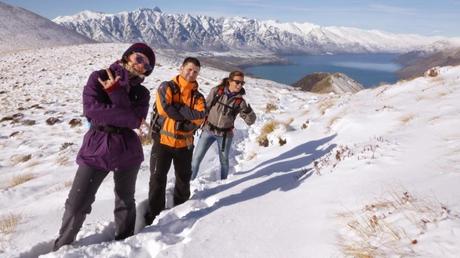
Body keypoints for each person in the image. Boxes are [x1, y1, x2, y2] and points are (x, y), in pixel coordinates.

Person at [53, 43, 155, 251]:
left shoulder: (142, 92)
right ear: (128, 57)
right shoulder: (98, 77)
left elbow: (137, 119)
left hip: (128, 151)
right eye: (139, 57)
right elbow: (93, 111)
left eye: (147, 63)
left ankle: (125, 245)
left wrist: (116, 93)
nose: (142, 64)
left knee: (125, 202)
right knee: (77, 204)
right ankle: (61, 249)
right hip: (97, 148)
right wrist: (128, 118)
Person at [145, 57, 206, 225]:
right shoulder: (166, 87)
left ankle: (181, 211)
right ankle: (154, 216)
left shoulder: (198, 96)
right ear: (181, 68)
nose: (191, 73)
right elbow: (165, 109)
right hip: (162, 143)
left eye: (195, 71)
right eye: (189, 69)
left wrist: (177, 108)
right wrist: (187, 117)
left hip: (185, 145)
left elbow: (201, 116)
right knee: (157, 179)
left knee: (183, 178)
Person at [191, 71, 256, 181]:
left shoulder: (240, 102)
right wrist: (195, 124)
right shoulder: (217, 91)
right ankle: (188, 185)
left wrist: (249, 111)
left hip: (225, 135)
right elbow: (205, 108)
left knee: (224, 161)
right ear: (230, 81)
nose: (240, 85)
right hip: (208, 130)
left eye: (242, 83)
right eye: (237, 82)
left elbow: (250, 121)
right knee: (196, 159)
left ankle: (223, 185)